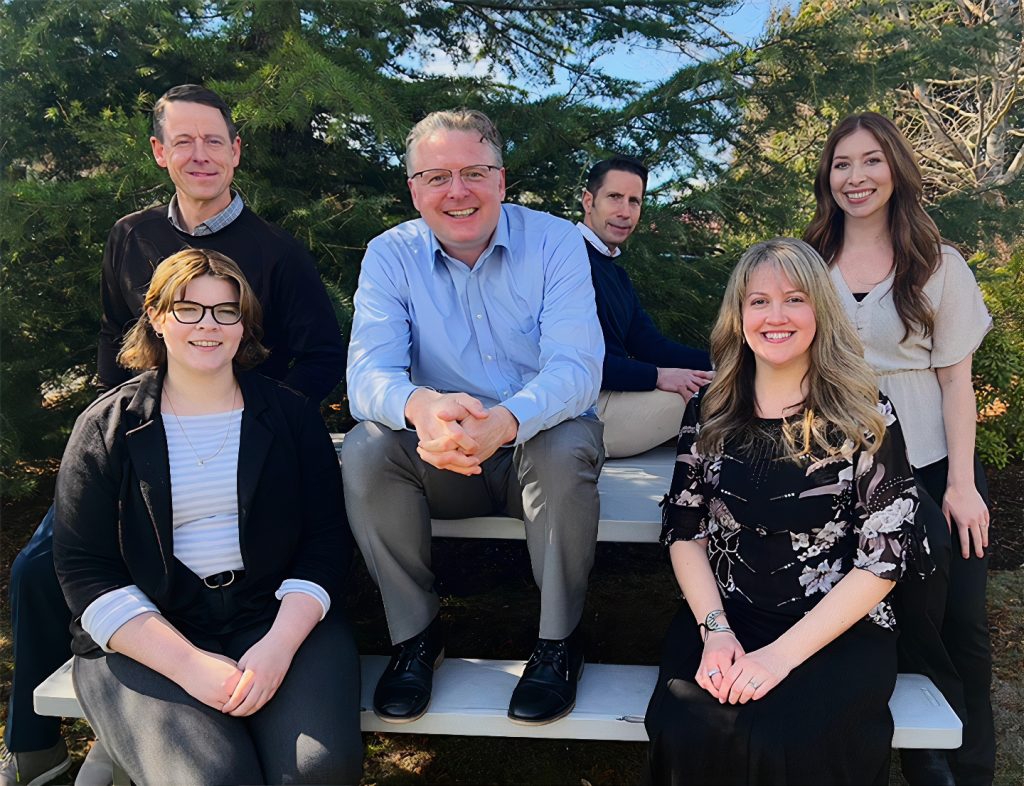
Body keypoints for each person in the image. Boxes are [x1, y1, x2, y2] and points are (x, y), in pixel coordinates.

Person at [2, 83, 345, 786]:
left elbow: (322, 355)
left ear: (235, 152)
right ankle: (33, 744)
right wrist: (116, 422)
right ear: (159, 152)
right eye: (183, 141)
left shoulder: (275, 252)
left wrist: (273, 421)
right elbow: (111, 330)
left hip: (253, 447)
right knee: (39, 568)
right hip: (140, 441)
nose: (200, 155)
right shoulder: (131, 235)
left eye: (213, 140)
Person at [51, 249, 362, 785]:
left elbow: (327, 541)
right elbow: (85, 569)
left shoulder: (288, 416)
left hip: (273, 618)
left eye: (226, 311)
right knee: (211, 779)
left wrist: (278, 646)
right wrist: (189, 666)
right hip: (151, 629)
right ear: (156, 317)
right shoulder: (106, 427)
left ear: (244, 325)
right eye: (188, 309)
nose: (208, 326)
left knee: (316, 771)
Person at [343, 109, 604, 726]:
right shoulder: (389, 255)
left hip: (534, 448)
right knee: (366, 447)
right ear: (414, 189)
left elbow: (576, 368)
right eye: (436, 176)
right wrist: (422, 407)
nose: (456, 191)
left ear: (502, 180)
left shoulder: (555, 242)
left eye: (474, 172)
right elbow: (366, 375)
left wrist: (508, 420)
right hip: (442, 456)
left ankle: (558, 644)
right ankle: (416, 639)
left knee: (563, 443)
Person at [646, 238, 923, 785]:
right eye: (758, 301)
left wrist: (779, 658)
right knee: (690, 729)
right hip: (726, 618)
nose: (776, 316)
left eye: (794, 299)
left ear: (820, 309)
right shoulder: (710, 410)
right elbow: (685, 532)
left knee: (789, 741)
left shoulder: (864, 414)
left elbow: (882, 561)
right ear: (738, 315)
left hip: (836, 629)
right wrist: (716, 633)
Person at [804, 111, 993, 786]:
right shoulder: (809, 261)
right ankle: (880, 752)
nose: (856, 177)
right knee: (873, 616)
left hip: (936, 466)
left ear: (896, 169)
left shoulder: (938, 264)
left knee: (960, 621)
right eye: (842, 164)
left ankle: (960, 768)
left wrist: (962, 485)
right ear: (828, 177)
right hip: (840, 471)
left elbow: (957, 382)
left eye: (871, 161)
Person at [578, 155, 713, 457]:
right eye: (614, 197)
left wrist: (725, 362)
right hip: (581, 417)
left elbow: (651, 345)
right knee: (717, 394)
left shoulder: (615, 273)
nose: (625, 212)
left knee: (724, 380)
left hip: (614, 398)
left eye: (634, 201)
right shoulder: (566, 259)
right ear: (589, 201)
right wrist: (658, 376)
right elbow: (581, 363)